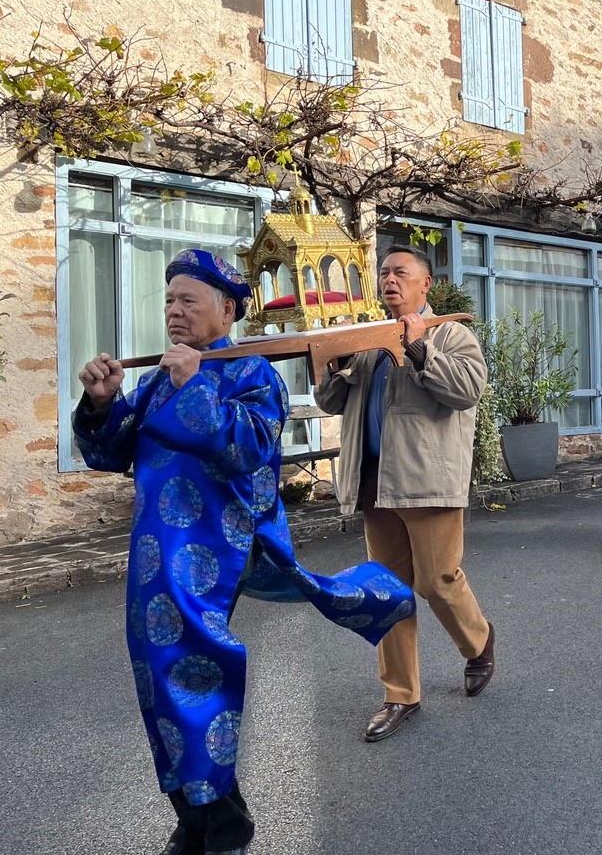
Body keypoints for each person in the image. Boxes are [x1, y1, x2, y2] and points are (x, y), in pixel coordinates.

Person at [74, 249, 415, 855]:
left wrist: (194, 384)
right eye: (169, 301)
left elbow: (249, 451)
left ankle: (223, 823)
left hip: (210, 556)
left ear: (226, 310)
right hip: (153, 557)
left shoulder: (250, 373)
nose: (175, 313)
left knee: (194, 676)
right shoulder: (158, 378)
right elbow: (112, 452)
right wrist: (102, 403)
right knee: (157, 685)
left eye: (189, 301)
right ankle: (196, 814)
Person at [315, 245, 493, 744]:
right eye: (384, 273)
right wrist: (335, 363)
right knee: (388, 591)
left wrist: (419, 349)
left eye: (401, 272)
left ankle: (478, 642)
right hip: (375, 480)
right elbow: (331, 400)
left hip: (427, 481)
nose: (389, 280)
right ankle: (400, 695)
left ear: (425, 285)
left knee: (437, 581)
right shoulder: (369, 340)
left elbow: (466, 390)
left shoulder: (451, 333)